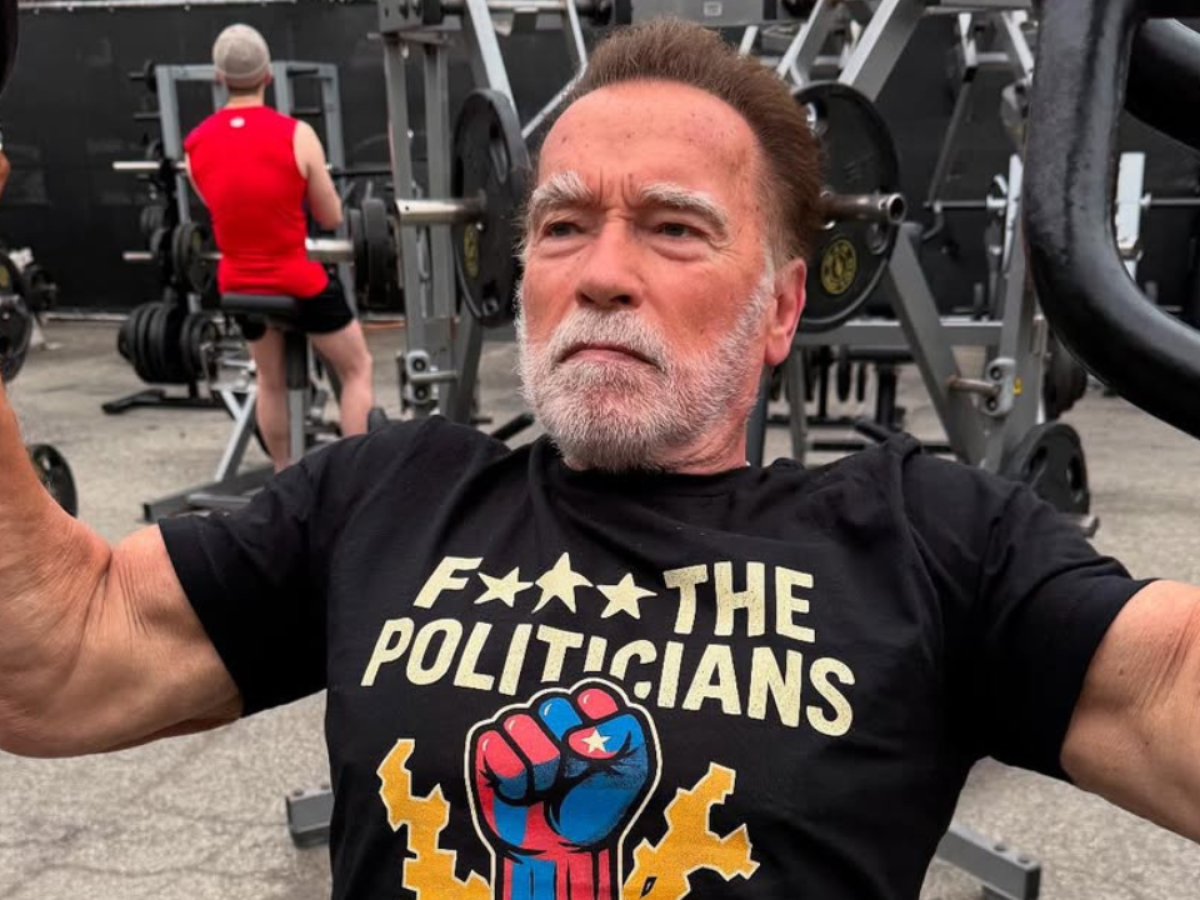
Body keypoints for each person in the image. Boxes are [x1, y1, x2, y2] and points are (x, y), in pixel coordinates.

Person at [2, 18, 1198, 900]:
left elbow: (1168, 699)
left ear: (783, 307)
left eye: (674, 228)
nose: (602, 273)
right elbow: (57, 659)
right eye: (564, 225)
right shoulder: (386, 495)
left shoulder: (935, 541)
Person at [184, 24, 374, 470]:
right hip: (297, 282)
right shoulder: (296, 134)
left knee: (269, 383)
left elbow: (223, 205)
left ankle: (284, 473)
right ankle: (358, 478)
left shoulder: (194, 145)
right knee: (357, 368)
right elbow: (331, 216)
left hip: (237, 286)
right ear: (268, 75)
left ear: (219, 77)